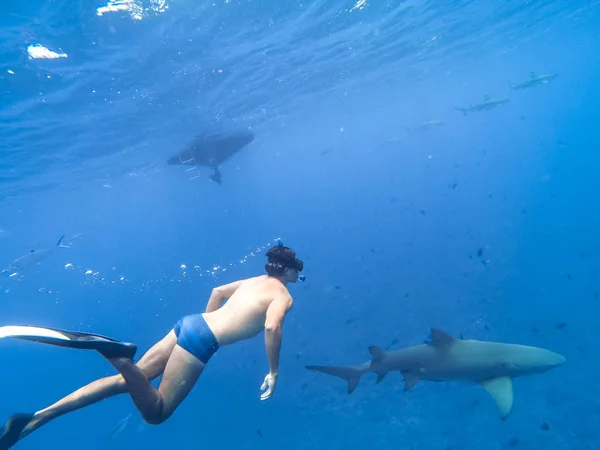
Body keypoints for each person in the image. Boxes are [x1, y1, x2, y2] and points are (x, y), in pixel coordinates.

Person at [0, 243, 304, 449]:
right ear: (288, 270)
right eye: (298, 268)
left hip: (191, 323)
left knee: (127, 383)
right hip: (200, 339)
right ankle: (118, 356)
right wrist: (274, 371)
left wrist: (206, 322)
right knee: (156, 412)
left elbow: (218, 291)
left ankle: (36, 418)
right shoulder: (283, 296)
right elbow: (272, 326)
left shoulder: (254, 280)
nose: (298, 274)